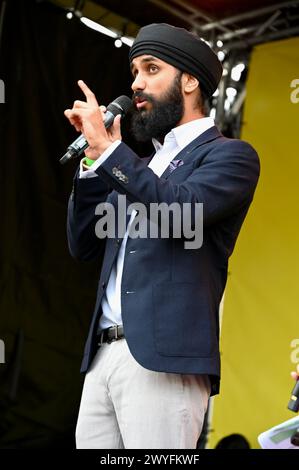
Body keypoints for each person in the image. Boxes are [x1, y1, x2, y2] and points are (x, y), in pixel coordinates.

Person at [65, 23, 260, 449]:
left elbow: (178, 210)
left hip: (163, 359)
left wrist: (113, 156)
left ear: (190, 81)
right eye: (134, 71)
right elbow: (83, 244)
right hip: (102, 356)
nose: (137, 83)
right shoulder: (137, 166)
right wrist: (92, 162)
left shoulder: (230, 156)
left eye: (151, 68)